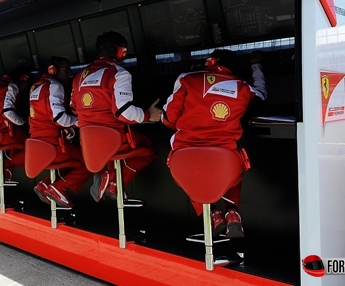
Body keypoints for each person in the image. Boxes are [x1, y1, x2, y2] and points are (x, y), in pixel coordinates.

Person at [161, 49, 267, 239]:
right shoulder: (242, 86)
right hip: (224, 160)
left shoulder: (187, 79)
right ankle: (232, 212)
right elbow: (261, 95)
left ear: (210, 61)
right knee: (235, 172)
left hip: (184, 159)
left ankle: (211, 214)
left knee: (190, 179)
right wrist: (256, 64)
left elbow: (168, 119)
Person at [70, 31, 161, 202]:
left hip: (88, 143)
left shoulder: (79, 76)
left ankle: (110, 178)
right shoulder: (119, 73)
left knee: (114, 151)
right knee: (149, 150)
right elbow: (123, 112)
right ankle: (114, 182)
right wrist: (149, 114)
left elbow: (74, 109)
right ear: (120, 51)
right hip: (115, 141)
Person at [28, 56, 91, 207]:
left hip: (37, 144)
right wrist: (79, 121)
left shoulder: (36, 86)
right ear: (53, 70)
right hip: (53, 145)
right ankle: (58, 188)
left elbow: (46, 116)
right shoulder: (55, 85)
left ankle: (45, 184)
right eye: (65, 70)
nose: (69, 74)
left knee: (71, 161)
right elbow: (59, 118)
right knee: (89, 161)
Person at [0, 66, 33, 181]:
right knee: (31, 143)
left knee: (17, 132)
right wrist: (23, 121)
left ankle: (7, 169)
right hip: (1, 133)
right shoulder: (11, 87)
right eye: (26, 84)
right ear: (23, 79)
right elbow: (7, 112)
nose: (25, 88)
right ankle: (5, 164)